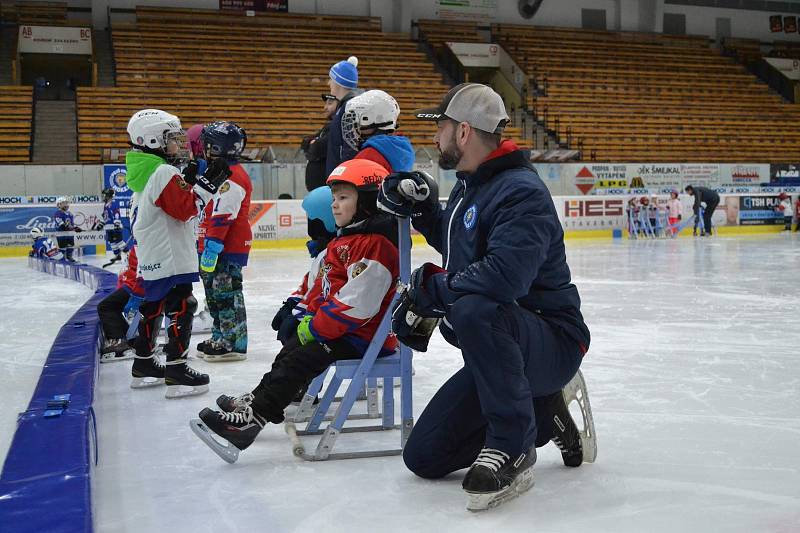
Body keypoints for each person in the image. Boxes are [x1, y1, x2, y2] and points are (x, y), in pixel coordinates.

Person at [377, 83, 594, 511]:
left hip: (552, 341)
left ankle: (513, 446)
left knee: (477, 308)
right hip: (504, 354)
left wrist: (432, 292)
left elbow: (504, 278)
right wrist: (423, 212)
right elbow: (462, 249)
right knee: (424, 457)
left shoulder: (521, 192)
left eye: (439, 128)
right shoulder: (469, 186)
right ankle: (543, 409)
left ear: (463, 132)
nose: (433, 137)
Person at [191, 159, 399, 463]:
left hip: (365, 337)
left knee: (303, 355)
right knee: (291, 351)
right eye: (334, 199)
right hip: (348, 332)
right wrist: (304, 316)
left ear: (368, 200)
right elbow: (324, 290)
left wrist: (315, 327)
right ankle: (258, 401)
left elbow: (358, 303)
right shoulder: (350, 240)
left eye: (344, 198)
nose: (335, 207)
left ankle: (252, 420)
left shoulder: (375, 245)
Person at [125, 108, 231, 398]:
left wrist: (188, 181)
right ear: (151, 140)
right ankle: (177, 368)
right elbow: (185, 209)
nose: (178, 144)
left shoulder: (143, 170)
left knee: (153, 305)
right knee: (182, 303)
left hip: (153, 251)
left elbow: (169, 202)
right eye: (171, 138)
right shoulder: (161, 171)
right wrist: (208, 186)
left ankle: (144, 363)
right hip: (169, 252)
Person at [196, 121, 252, 362]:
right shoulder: (217, 171)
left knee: (226, 294)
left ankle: (232, 342)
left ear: (217, 147)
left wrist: (212, 246)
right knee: (214, 295)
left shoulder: (232, 177)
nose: (203, 149)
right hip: (213, 245)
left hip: (224, 248)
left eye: (207, 145)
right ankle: (220, 335)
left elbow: (223, 215)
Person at [270, 185, 338, 345]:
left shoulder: (332, 252)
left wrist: (298, 314)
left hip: (323, 322)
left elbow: (320, 289)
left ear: (325, 221)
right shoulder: (323, 250)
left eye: (311, 219)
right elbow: (309, 283)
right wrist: (293, 301)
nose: (309, 224)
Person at [342, 89, 414, 173]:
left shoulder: (367, 156)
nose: (355, 129)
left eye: (358, 123)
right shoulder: (402, 148)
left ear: (369, 120)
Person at [96, 241, 143, 362]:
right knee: (110, 306)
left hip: (135, 287)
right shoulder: (139, 237)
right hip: (132, 285)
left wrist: (137, 295)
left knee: (106, 307)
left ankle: (118, 340)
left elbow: (142, 268)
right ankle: (127, 338)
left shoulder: (143, 237)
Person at [325, 56, 360, 176]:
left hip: (343, 177)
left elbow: (349, 148)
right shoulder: (344, 107)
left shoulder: (349, 108)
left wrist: (342, 178)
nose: (328, 83)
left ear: (338, 82)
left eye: (331, 79)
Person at [302, 94, 338, 191]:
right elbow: (305, 142)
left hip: (327, 188)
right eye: (325, 104)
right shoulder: (328, 126)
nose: (325, 107)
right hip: (320, 189)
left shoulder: (336, 127)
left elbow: (317, 147)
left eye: (330, 104)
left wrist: (315, 143)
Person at [93, 188, 125, 265]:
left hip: (113, 227)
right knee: (112, 242)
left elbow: (116, 213)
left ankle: (128, 254)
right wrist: (100, 225)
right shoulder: (105, 205)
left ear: (108, 195)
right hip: (108, 227)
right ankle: (117, 255)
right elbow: (105, 217)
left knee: (119, 242)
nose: (103, 197)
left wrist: (117, 223)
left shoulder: (112, 203)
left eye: (105, 195)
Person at [53, 196, 82, 262]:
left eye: (66, 203)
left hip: (69, 234)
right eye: (63, 203)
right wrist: (73, 229)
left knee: (71, 246)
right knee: (63, 247)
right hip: (62, 234)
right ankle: (62, 259)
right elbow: (62, 226)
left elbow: (71, 225)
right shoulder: (58, 213)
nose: (66, 205)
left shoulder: (70, 214)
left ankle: (69, 257)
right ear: (59, 205)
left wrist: (75, 228)